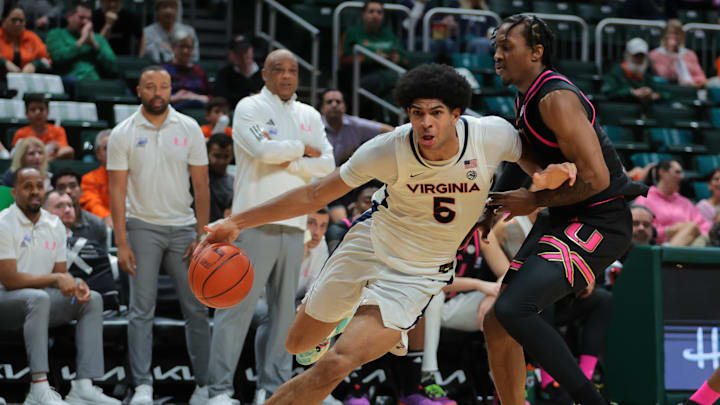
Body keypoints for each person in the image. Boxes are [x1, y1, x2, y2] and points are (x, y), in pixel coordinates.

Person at [199, 63, 576, 405]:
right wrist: (236, 222)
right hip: (369, 245)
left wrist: (551, 174)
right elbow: (314, 194)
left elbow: (538, 165)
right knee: (297, 345)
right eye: (417, 113)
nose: (426, 123)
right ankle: (345, 315)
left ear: (457, 114)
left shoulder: (490, 135)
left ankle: (367, 324)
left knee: (336, 363)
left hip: (417, 275)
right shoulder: (388, 149)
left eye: (436, 113)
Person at [482, 14, 647, 405]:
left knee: (513, 308)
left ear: (537, 52)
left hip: (601, 220)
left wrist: (533, 200)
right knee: (496, 322)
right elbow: (519, 154)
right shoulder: (527, 94)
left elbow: (599, 179)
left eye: (508, 47)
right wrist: (492, 206)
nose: (498, 56)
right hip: (564, 216)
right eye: (496, 48)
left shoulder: (556, 98)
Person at [205, 49, 335, 405]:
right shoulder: (249, 107)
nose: (287, 76)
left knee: (284, 313)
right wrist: (301, 153)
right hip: (254, 222)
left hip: (295, 225)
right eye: (279, 69)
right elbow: (262, 153)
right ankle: (217, 391)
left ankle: (273, 388)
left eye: (293, 70)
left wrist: (291, 159)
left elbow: (328, 164)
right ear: (265, 73)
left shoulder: (309, 114)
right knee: (236, 309)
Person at [107, 65, 211, 405]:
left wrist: (203, 234)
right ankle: (142, 385)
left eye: (163, 86)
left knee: (196, 309)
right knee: (141, 310)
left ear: (171, 90)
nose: (157, 92)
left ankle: (204, 385)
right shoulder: (122, 132)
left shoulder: (190, 127)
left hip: (183, 229)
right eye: (150, 86)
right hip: (141, 227)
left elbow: (201, 185)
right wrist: (121, 241)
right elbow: (117, 192)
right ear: (139, 91)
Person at [0, 167, 120, 405]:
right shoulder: (4, 223)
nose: (35, 191)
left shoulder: (54, 224)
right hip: (6, 302)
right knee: (39, 298)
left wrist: (76, 284)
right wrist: (57, 280)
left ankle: (83, 386)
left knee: (91, 300)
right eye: (27, 186)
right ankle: (39, 387)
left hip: (41, 300)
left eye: (39, 186)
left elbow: (60, 276)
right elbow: (10, 280)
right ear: (14, 192)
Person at [634, 160, 710, 246]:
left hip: (690, 247)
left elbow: (705, 228)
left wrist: (685, 230)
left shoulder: (685, 202)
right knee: (691, 226)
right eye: (677, 172)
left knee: (692, 227)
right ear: (662, 172)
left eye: (681, 173)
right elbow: (639, 229)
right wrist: (669, 231)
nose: (681, 177)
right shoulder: (645, 199)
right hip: (655, 247)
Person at [45, 1, 116, 82]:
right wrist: (81, 42)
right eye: (81, 18)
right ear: (69, 17)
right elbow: (57, 58)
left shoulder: (98, 38)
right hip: (69, 82)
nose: (85, 22)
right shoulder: (56, 34)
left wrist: (95, 46)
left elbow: (113, 65)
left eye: (89, 19)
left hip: (96, 82)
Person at [320, 89, 394, 166]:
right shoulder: (315, 125)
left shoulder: (355, 124)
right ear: (322, 108)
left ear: (344, 107)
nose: (334, 105)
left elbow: (390, 131)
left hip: (345, 174)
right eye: (329, 102)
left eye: (338, 102)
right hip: (317, 173)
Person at [601, 38, 666, 103]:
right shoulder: (615, 72)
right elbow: (608, 93)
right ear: (627, 55)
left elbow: (664, 93)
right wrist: (631, 92)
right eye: (636, 56)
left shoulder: (646, 75)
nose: (638, 59)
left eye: (641, 56)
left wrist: (654, 95)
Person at [12, 93, 74, 161]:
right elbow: (16, 156)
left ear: (47, 112)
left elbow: (67, 150)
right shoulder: (20, 133)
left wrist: (47, 160)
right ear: (26, 113)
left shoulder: (58, 130)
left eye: (41, 109)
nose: (37, 112)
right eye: (33, 109)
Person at [649, 19, 707, 88]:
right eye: (670, 33)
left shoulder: (690, 54)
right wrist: (671, 52)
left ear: (682, 35)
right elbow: (664, 75)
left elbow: (701, 76)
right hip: (667, 89)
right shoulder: (655, 54)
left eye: (677, 33)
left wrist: (693, 83)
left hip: (690, 88)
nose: (674, 36)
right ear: (664, 35)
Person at [212, 35, 263, 109]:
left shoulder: (265, 72)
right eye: (238, 52)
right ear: (231, 55)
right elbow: (221, 98)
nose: (243, 55)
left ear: (252, 50)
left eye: (245, 51)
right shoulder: (224, 74)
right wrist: (251, 96)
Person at [164, 29, 209, 110]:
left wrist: (194, 97)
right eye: (182, 46)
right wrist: (176, 97)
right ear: (173, 48)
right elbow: (157, 98)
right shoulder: (163, 71)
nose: (185, 51)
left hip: (198, 107)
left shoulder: (199, 71)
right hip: (172, 108)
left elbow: (210, 97)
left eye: (189, 47)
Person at [0, 4, 51, 74]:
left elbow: (46, 60)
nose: (18, 23)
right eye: (13, 20)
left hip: (26, 79)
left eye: (21, 20)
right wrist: (4, 62)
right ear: (3, 20)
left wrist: (34, 64)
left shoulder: (32, 37)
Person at [79, 129, 112, 227]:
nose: (113, 151)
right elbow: (92, 204)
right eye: (106, 148)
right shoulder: (89, 179)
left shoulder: (134, 176)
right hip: (102, 224)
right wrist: (106, 216)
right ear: (98, 153)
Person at [206, 134, 233, 222]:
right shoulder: (198, 178)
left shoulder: (234, 182)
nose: (221, 161)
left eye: (226, 156)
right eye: (217, 156)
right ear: (207, 153)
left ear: (232, 155)